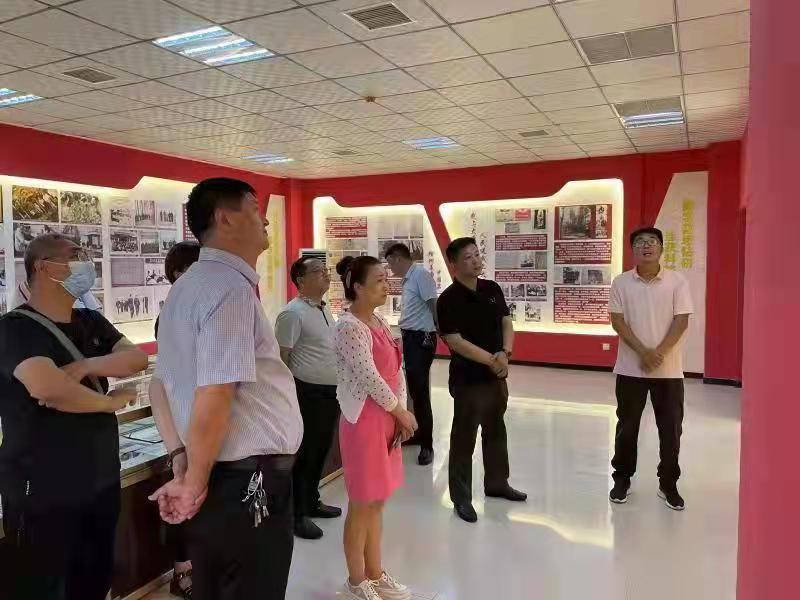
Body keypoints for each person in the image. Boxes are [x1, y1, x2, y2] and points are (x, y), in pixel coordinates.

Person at [148, 178, 303, 600]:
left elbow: (160, 385)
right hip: (246, 481)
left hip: (221, 476)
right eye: (254, 208)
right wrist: (194, 480)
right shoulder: (228, 288)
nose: (265, 220)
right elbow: (216, 392)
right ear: (225, 218)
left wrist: (183, 462)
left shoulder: (186, 287)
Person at [0, 233, 147, 599]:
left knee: (94, 581)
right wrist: (108, 403)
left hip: (99, 480)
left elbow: (135, 359)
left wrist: (85, 366)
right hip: (43, 490)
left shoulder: (90, 320)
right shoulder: (14, 327)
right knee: (46, 585)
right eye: (74, 255)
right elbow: (48, 388)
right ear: (43, 267)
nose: (85, 263)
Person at [333, 255, 418, 600]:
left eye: (387, 278)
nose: (387, 285)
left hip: (387, 417)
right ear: (358, 287)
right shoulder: (348, 327)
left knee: (378, 501)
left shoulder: (379, 321)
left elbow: (396, 371)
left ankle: (375, 573)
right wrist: (401, 412)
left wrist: (400, 413)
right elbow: (370, 378)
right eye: (379, 280)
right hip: (364, 422)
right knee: (362, 503)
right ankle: (356, 581)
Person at [437, 237, 527, 523]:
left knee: (496, 429)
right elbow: (455, 341)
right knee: (464, 437)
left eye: (477, 255)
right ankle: (461, 497)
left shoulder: (491, 289)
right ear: (453, 264)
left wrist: (505, 352)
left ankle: (497, 483)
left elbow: (506, 322)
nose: (476, 261)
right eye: (468, 257)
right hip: (468, 378)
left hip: (496, 374)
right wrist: (492, 359)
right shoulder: (448, 299)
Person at [608, 227, 693, 511]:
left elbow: (681, 321)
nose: (646, 246)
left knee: (670, 429)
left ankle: (668, 483)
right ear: (633, 249)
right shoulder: (621, 282)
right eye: (640, 242)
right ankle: (622, 478)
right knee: (627, 427)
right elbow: (618, 321)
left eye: (652, 241)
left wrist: (659, 353)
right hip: (630, 369)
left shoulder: (677, 281)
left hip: (668, 371)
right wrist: (644, 352)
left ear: (661, 248)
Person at [275, 257, 342, 541]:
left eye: (326, 270)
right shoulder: (292, 313)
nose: (325, 274)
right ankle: (296, 514)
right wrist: (287, 397)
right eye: (318, 271)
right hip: (306, 393)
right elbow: (282, 357)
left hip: (329, 393)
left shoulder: (324, 309)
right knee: (305, 454)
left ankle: (312, 501)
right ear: (300, 280)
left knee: (321, 449)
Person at [149, 241, 201, 599]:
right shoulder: (171, 317)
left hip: (206, 426)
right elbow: (163, 382)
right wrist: (177, 449)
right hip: (186, 428)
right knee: (185, 501)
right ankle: (183, 570)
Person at [384, 243, 438, 466]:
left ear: (398, 258)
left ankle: (427, 445)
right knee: (414, 391)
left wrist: (441, 332)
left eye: (390, 263)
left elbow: (433, 305)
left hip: (421, 339)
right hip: (410, 338)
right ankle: (417, 434)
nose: (390, 269)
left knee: (420, 393)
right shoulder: (409, 278)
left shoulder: (420, 275)